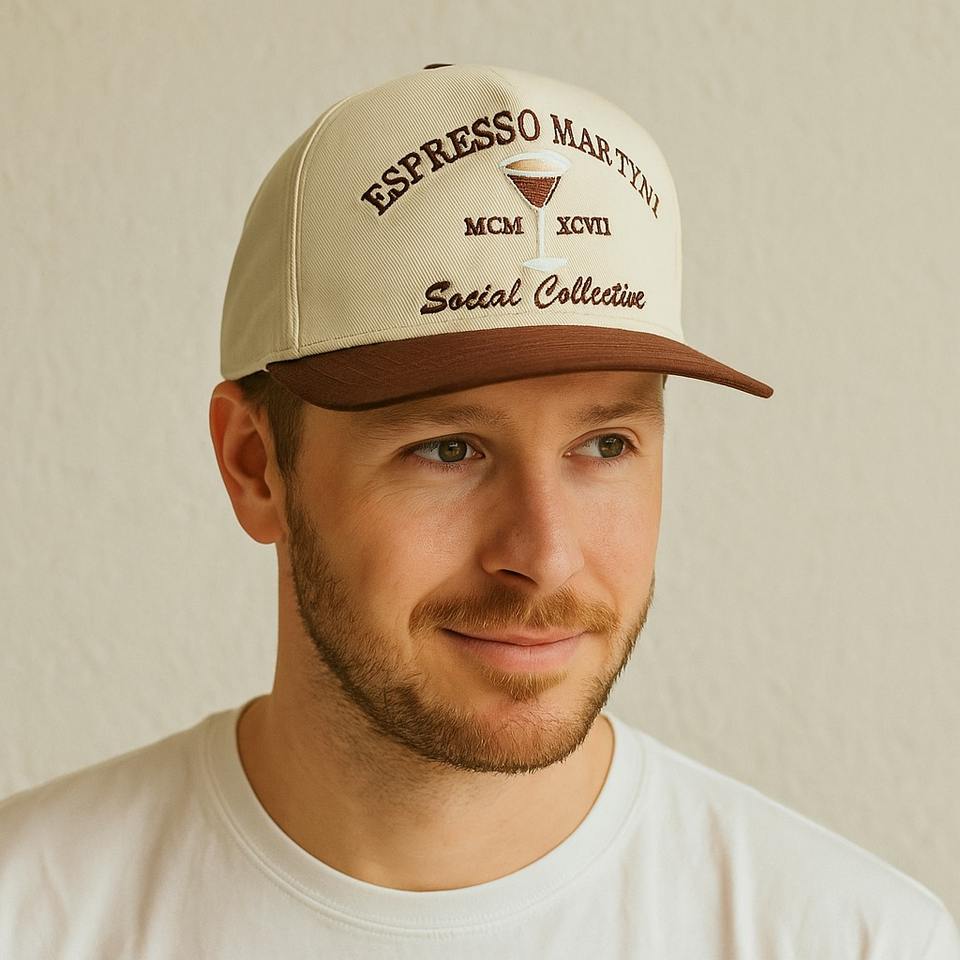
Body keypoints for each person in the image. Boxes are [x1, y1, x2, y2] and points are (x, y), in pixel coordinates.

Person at [1, 62, 957, 958]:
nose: (544, 555)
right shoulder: (32, 912)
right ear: (256, 468)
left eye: (604, 446)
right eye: (448, 449)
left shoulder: (854, 939)